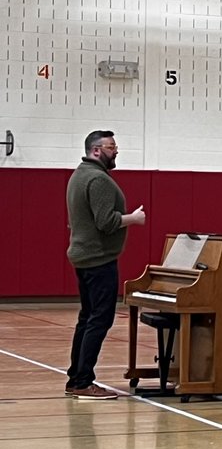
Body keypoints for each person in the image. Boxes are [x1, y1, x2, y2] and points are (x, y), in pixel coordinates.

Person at [64, 130, 146, 399]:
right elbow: (106, 222)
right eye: (111, 146)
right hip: (98, 259)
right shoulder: (98, 179)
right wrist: (133, 218)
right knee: (99, 320)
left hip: (85, 257)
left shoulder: (80, 174)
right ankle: (83, 381)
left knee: (87, 318)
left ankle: (76, 377)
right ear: (96, 150)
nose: (116, 150)